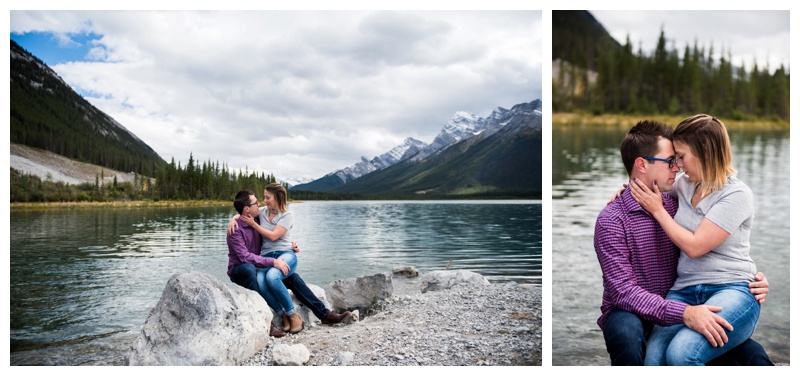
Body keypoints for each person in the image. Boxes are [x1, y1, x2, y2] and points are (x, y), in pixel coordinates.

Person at [594, 120, 772, 366]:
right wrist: (685, 313)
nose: (676, 167)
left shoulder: (677, 201)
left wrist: (755, 278)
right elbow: (623, 292)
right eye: (670, 161)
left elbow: (718, 246)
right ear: (642, 164)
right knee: (629, 335)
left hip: (695, 299)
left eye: (678, 158)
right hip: (641, 308)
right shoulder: (613, 219)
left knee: (751, 356)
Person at [227, 189, 350, 337]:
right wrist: (273, 261)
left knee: (291, 276)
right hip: (240, 270)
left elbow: (273, 234)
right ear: (247, 208)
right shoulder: (235, 230)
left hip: (258, 265)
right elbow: (245, 257)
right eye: (256, 203)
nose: (259, 204)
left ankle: (324, 315)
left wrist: (289, 246)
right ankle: (268, 324)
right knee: (249, 269)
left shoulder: (257, 219)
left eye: (263, 200)